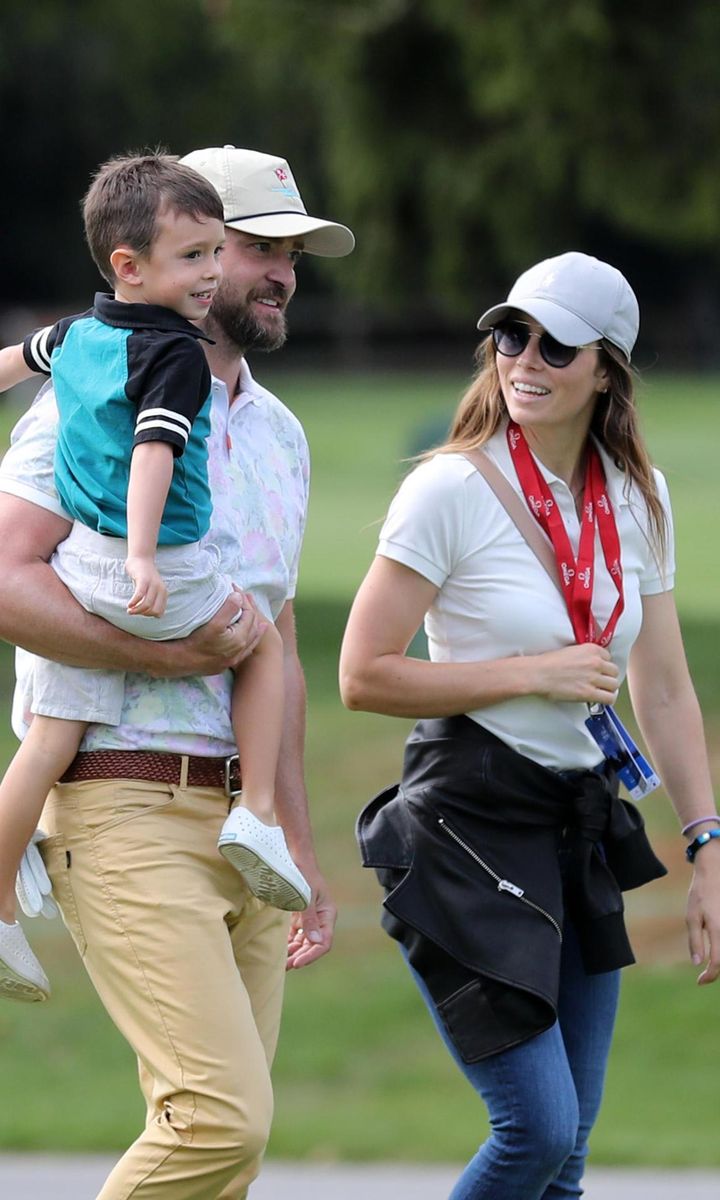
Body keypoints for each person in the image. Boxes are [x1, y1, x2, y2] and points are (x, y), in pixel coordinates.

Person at [0, 143, 354, 1198]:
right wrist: (161, 646)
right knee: (216, 1121)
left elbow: (277, 642)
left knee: (225, 1161)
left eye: (294, 254)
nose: (281, 273)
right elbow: (7, 576)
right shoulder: (91, 399)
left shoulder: (281, 433)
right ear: (166, 257)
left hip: (244, 829)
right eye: (258, 248)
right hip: (124, 800)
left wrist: (296, 839)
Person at [339, 251, 720, 1200]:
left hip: (577, 822)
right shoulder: (449, 490)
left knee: (569, 1158)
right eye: (512, 335)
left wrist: (709, 847)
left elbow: (664, 689)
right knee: (536, 1131)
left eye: (558, 344)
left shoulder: (642, 497)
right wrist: (531, 673)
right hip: (466, 819)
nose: (526, 359)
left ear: (607, 369)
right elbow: (361, 675)